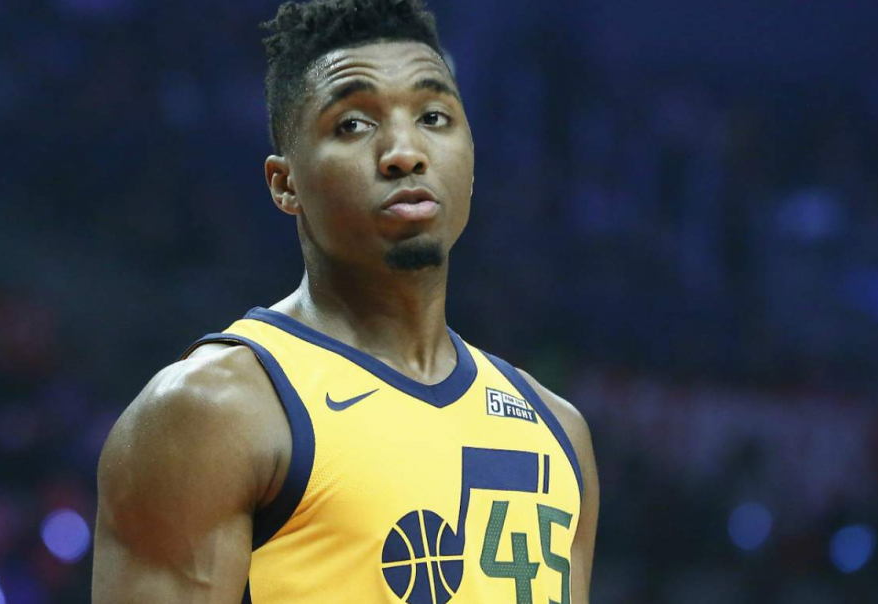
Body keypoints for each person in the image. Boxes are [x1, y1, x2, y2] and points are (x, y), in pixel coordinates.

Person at [92, 0, 599, 602]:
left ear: (470, 157)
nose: (405, 152)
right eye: (353, 125)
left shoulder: (558, 431)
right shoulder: (213, 412)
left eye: (434, 117)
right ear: (285, 184)